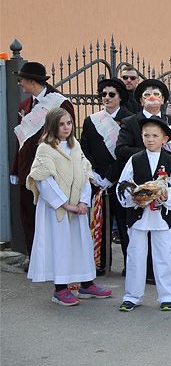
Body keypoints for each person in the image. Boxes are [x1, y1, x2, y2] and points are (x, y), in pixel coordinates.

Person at [26, 108, 112, 306]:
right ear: (52, 126)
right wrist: (65, 204)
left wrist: (83, 201)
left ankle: (86, 283)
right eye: (61, 124)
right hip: (57, 209)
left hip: (77, 207)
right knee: (61, 246)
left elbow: (85, 173)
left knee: (80, 244)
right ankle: (60, 289)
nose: (66, 128)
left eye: (69, 123)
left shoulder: (75, 146)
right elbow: (43, 179)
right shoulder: (45, 149)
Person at [115, 79, 171, 283]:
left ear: (164, 99)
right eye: (147, 94)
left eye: (156, 94)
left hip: (167, 178)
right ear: (140, 100)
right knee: (140, 229)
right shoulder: (131, 122)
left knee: (167, 227)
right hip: (141, 182)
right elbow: (121, 150)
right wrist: (150, 152)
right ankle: (144, 272)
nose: (152, 97)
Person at [116, 118, 171, 312]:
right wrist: (134, 197)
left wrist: (166, 196)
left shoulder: (168, 161)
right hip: (138, 216)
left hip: (161, 216)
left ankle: (166, 296)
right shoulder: (135, 159)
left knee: (164, 255)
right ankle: (132, 295)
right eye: (146, 135)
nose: (150, 139)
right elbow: (123, 183)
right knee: (135, 255)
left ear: (164, 139)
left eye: (155, 136)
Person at [11, 61, 76, 257]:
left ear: (32, 81)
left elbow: (69, 138)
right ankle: (35, 256)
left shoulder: (60, 103)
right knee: (29, 215)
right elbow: (19, 142)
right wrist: (16, 168)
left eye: (21, 80)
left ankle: (57, 257)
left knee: (53, 215)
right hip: (27, 169)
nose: (20, 84)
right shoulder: (24, 105)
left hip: (52, 170)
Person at [79, 78, 134, 274]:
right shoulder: (91, 120)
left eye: (111, 94)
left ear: (120, 97)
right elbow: (84, 147)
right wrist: (94, 172)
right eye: (103, 94)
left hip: (121, 179)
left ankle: (130, 263)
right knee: (100, 223)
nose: (107, 98)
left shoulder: (130, 119)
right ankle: (100, 262)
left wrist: (111, 176)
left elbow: (127, 152)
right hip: (98, 178)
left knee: (125, 223)